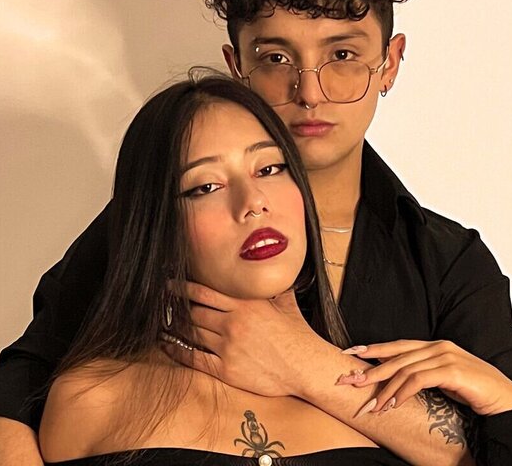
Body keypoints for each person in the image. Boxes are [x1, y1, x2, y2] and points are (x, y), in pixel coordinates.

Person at [0, 0, 512, 466]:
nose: (310, 91)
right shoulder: (155, 225)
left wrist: (303, 363)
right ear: (237, 67)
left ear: (390, 62)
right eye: (276, 58)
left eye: (343, 55)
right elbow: (13, 398)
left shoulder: (447, 262)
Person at [39, 73, 411, 465]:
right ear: (157, 229)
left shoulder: (393, 397)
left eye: (270, 168)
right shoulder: (92, 402)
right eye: (205, 187)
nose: (253, 202)